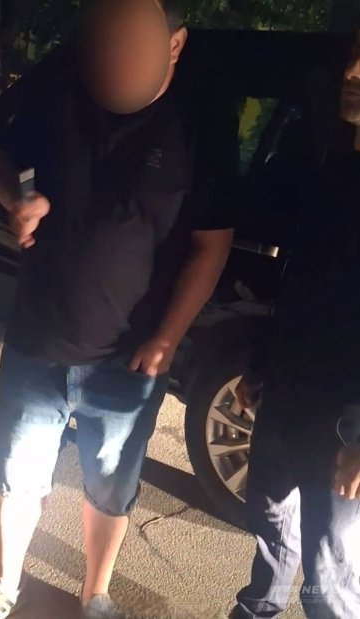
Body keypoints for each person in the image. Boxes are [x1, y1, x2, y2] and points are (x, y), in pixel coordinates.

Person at [0, 1, 237, 618]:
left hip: (128, 359)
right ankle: (6, 586)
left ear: (174, 44)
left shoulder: (201, 120)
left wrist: (167, 337)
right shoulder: (62, 81)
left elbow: (211, 244)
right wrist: (17, 199)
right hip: (36, 341)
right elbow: (3, 157)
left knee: (110, 488)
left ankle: (94, 595)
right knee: (17, 476)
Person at [230, 29, 360, 619]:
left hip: (344, 416)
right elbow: (300, 279)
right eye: (352, 58)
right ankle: (257, 610)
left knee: (331, 573)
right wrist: (261, 365)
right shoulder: (333, 162)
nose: (352, 74)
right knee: (270, 523)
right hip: (288, 389)